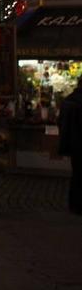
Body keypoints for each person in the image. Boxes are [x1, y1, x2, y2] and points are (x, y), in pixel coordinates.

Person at [58, 77, 82, 215]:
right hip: (79, 142)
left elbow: (60, 122)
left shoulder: (68, 100)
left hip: (72, 144)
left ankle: (74, 204)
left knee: (76, 174)